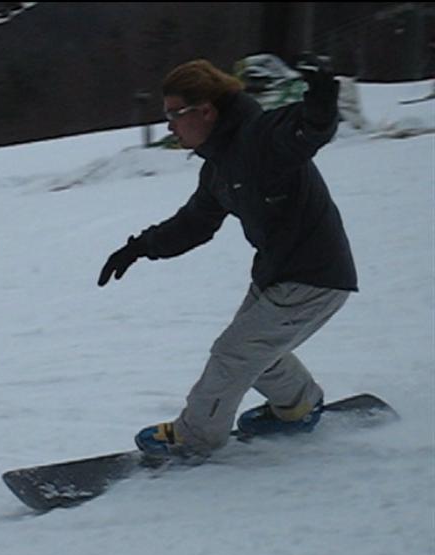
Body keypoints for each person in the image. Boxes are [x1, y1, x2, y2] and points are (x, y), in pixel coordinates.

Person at [97, 57, 357, 458]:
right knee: (253, 350)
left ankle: (196, 436)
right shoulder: (219, 165)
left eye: (174, 114)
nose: (170, 126)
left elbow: (304, 132)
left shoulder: (259, 138)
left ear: (205, 111)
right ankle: (299, 405)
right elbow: (194, 223)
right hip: (278, 273)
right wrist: (139, 247)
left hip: (313, 276)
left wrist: (320, 109)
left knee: (234, 353)